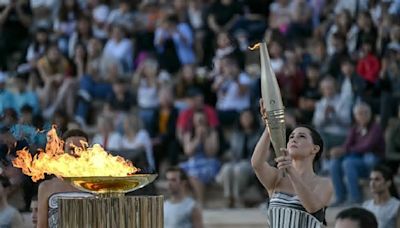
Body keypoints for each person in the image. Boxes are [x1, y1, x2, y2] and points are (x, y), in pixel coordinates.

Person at [252, 99, 333, 228]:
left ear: (315, 149)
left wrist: (291, 171)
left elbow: (312, 207)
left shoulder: (324, 183)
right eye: (291, 137)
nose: (294, 139)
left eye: (301, 136)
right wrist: (270, 126)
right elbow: (257, 163)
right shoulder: (277, 178)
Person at [330, 102, 384, 206]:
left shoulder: (375, 127)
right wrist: (339, 150)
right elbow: (347, 144)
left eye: (365, 113)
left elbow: (367, 146)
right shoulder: (355, 128)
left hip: (371, 160)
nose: (362, 116)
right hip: (358, 158)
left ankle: (355, 198)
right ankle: (340, 197)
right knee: (334, 163)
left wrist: (346, 150)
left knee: (348, 163)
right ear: (355, 116)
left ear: (370, 114)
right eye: (359, 114)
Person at [37, 129, 92, 228]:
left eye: (81, 149)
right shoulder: (46, 187)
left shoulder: (99, 186)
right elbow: (41, 225)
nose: (76, 153)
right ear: (62, 152)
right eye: (71, 149)